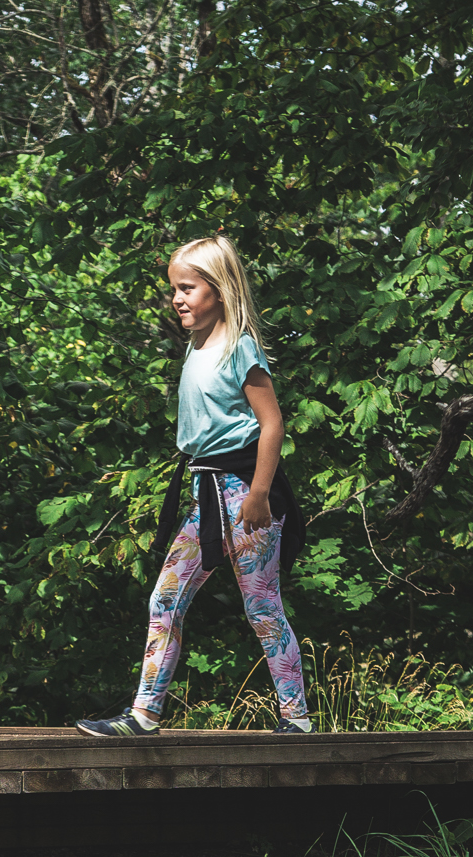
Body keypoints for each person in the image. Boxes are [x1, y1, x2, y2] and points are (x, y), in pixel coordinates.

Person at [76, 235, 308, 737]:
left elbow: (271, 423)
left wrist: (260, 496)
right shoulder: (196, 343)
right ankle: (143, 715)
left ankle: (297, 720)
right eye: (174, 290)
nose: (177, 299)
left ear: (219, 289)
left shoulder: (239, 346)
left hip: (245, 494)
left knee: (262, 605)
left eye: (187, 288)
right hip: (206, 495)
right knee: (165, 598)